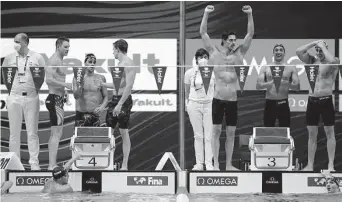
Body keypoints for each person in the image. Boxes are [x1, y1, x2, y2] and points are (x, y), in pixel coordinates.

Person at [200, 5, 254, 170]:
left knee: (231, 133)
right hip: (218, 99)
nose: (233, 42)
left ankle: (229, 164)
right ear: (223, 41)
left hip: (232, 100)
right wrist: (206, 14)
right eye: (230, 40)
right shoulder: (214, 53)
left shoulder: (239, 54)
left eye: (234, 40)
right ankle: (216, 164)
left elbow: (250, 34)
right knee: (215, 132)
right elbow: (203, 33)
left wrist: (250, 15)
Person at [1, 33, 46, 170]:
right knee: (14, 133)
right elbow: (3, 76)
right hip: (14, 97)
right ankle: (15, 164)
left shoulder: (37, 57)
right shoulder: (9, 58)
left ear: (25, 43)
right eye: (14, 41)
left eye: (17, 42)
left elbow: (42, 76)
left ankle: (34, 164)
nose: (15, 44)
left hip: (31, 97)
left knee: (32, 132)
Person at [296, 40, 340, 171]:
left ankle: (330, 165)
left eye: (321, 50)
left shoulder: (333, 60)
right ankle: (310, 165)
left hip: (326, 99)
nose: (319, 52)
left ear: (326, 49)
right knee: (312, 134)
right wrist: (315, 43)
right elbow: (298, 51)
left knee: (330, 133)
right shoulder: (312, 61)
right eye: (318, 50)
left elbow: (333, 62)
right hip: (312, 100)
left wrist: (323, 47)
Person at [101, 39, 137, 170]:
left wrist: (120, 104)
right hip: (115, 99)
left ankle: (125, 164)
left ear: (117, 49)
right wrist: (104, 84)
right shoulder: (120, 64)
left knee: (123, 132)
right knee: (109, 132)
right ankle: (108, 163)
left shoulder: (129, 64)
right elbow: (119, 84)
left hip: (123, 101)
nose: (112, 53)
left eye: (113, 50)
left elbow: (128, 86)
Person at [185, 48, 215, 171]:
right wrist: (187, 104)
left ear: (208, 59)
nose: (203, 59)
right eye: (200, 57)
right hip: (194, 104)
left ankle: (209, 163)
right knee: (198, 136)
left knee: (208, 136)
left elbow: (216, 89)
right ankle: (199, 164)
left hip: (208, 104)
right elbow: (186, 91)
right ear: (196, 59)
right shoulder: (189, 73)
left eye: (205, 57)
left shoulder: (213, 73)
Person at [45, 37, 73, 170]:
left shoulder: (60, 60)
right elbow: (48, 80)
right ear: (58, 47)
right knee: (56, 134)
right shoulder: (53, 60)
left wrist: (64, 92)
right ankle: (52, 165)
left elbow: (56, 79)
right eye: (65, 47)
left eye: (69, 47)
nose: (68, 49)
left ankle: (52, 164)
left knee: (56, 133)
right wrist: (65, 84)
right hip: (54, 100)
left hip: (58, 99)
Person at [256, 44, 300, 127]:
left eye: (281, 50)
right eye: (276, 50)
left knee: (285, 131)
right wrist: (271, 83)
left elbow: (297, 87)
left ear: (284, 53)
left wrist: (285, 83)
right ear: (273, 53)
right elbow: (258, 86)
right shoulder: (266, 67)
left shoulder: (291, 67)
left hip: (283, 103)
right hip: (270, 103)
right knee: (268, 131)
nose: (278, 52)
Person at [73, 53, 108, 127]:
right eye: (90, 62)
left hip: (95, 115)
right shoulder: (77, 77)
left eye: (94, 63)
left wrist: (102, 107)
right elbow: (76, 96)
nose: (92, 64)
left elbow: (106, 96)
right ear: (85, 63)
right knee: (80, 138)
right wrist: (80, 85)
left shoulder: (101, 78)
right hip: (80, 115)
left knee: (95, 138)